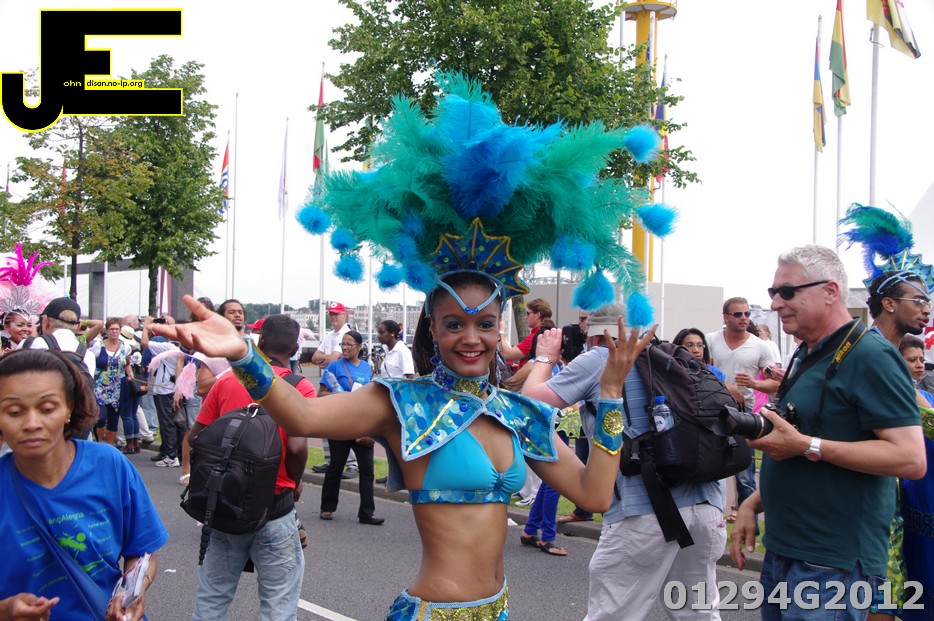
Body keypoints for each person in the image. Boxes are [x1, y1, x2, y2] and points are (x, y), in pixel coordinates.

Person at [154, 71, 665, 617]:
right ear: (432, 328)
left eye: (485, 324)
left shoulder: (520, 414)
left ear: (501, 328)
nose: (471, 338)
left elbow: (594, 494)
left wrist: (611, 394)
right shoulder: (401, 404)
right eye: (454, 324)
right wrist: (242, 353)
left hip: (498, 610)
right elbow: (300, 415)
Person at [730, 245, 926, 620]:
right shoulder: (807, 353)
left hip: (832, 564)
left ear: (830, 291)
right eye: (773, 292)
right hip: (786, 551)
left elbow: (910, 458)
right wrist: (752, 505)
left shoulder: (871, 355)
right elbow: (802, 441)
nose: (775, 303)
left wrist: (808, 445)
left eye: (787, 292)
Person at [524, 302, 726, 620]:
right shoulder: (673, 357)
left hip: (643, 512)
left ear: (595, 336)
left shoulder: (601, 357)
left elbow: (529, 407)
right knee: (698, 613)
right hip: (707, 507)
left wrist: (545, 357)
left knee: (612, 615)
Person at [0, 348, 167, 620]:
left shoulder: (109, 465)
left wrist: (130, 594)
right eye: (14, 411)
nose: (31, 423)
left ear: (69, 408)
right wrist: (5, 611)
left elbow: (142, 552)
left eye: (47, 408)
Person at [188, 314, 311, 621]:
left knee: (212, 598)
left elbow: (195, 437)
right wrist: (294, 481)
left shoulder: (228, 380)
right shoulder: (300, 387)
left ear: (261, 342)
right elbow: (297, 448)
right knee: (278, 604)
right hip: (275, 505)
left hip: (225, 502)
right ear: (296, 349)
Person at [706, 297, 777, 531]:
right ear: (726, 317)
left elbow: (775, 384)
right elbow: (700, 371)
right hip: (713, 410)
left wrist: (755, 385)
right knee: (711, 469)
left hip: (743, 413)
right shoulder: (711, 340)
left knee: (745, 475)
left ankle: (750, 530)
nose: (744, 318)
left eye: (747, 314)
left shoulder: (760, 346)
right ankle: (712, 526)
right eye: (738, 314)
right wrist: (725, 386)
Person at [318, 329, 384, 524]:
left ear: (359, 347)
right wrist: (342, 396)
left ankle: (367, 513)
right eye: (343, 344)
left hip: (361, 426)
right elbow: (321, 394)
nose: (345, 348)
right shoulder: (334, 367)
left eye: (349, 344)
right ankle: (327, 507)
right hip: (340, 424)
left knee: (367, 470)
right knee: (336, 467)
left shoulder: (366, 368)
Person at [310, 301, 357, 477]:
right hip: (328, 383)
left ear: (344, 315)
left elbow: (331, 359)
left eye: (336, 314)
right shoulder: (330, 335)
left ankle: (352, 464)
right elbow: (315, 357)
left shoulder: (347, 334)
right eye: (331, 314)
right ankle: (331, 460)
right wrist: (327, 359)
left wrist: (325, 359)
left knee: (344, 425)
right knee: (325, 421)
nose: (333, 317)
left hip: (343, 384)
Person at [91, 318, 135, 449]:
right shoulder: (98, 346)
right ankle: (99, 443)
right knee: (101, 417)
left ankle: (109, 447)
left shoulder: (125, 347)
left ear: (120, 331)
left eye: (116, 329)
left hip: (117, 387)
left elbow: (127, 363)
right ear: (106, 331)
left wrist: (130, 373)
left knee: (114, 419)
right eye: (111, 329)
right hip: (100, 387)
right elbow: (91, 362)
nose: (114, 332)